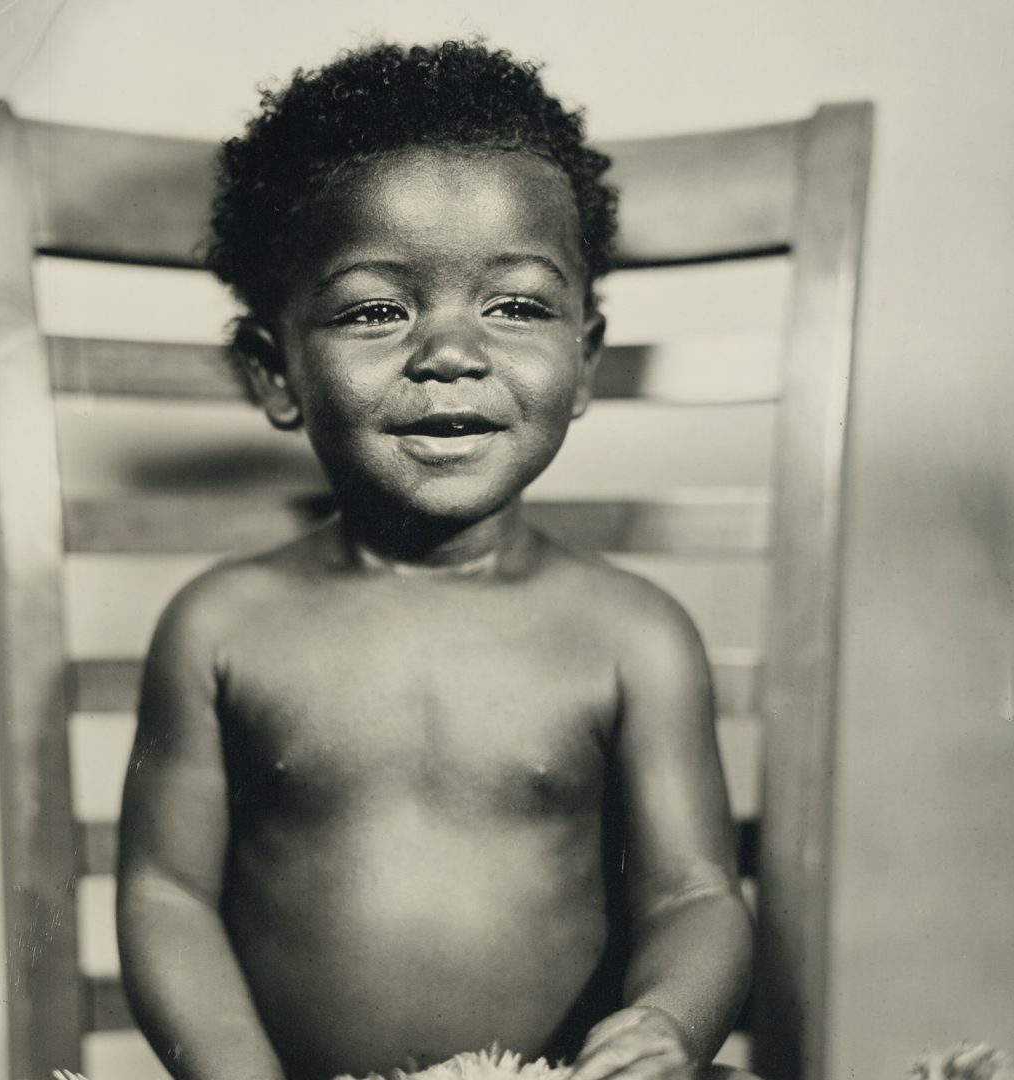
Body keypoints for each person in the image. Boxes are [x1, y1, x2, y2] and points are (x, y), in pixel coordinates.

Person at [116, 40, 755, 1080]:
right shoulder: (222, 628)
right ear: (275, 373)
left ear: (585, 362)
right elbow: (164, 896)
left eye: (516, 306)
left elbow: (695, 896)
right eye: (378, 309)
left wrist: (668, 1026)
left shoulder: (632, 635)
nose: (451, 352)